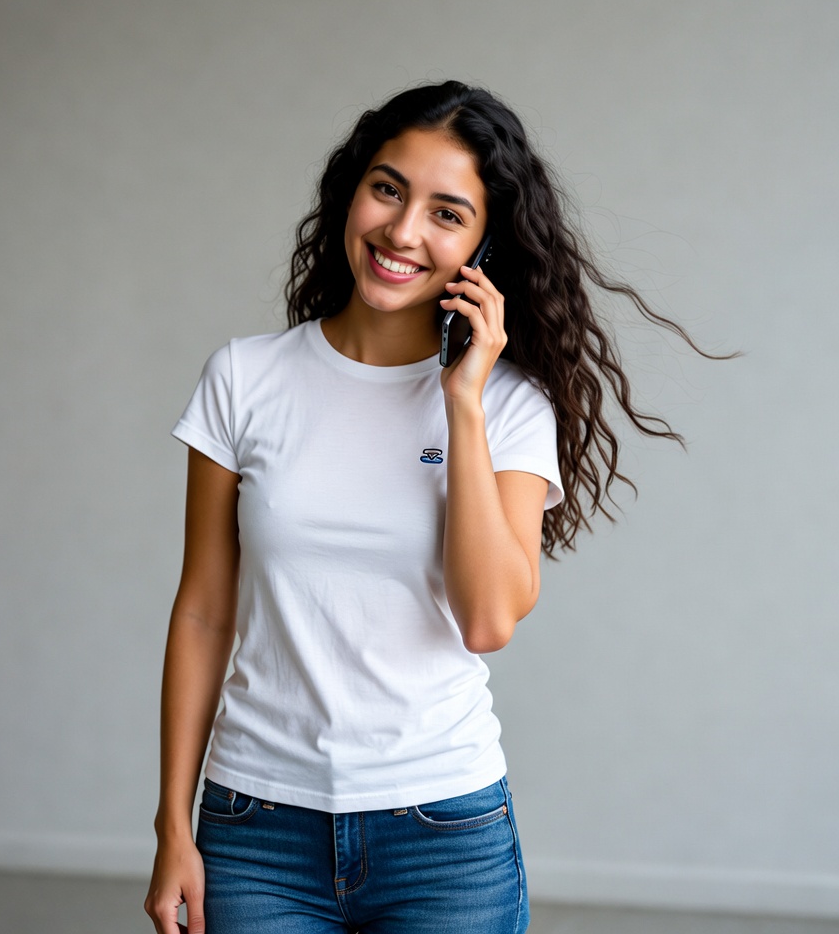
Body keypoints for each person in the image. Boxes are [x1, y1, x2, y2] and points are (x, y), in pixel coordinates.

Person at [145, 80, 714, 934]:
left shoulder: (510, 407)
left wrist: (463, 403)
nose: (403, 232)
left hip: (441, 834)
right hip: (253, 828)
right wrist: (171, 827)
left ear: (485, 245)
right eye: (387, 189)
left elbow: (488, 619)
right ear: (352, 191)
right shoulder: (244, 378)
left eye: (448, 214)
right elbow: (201, 611)